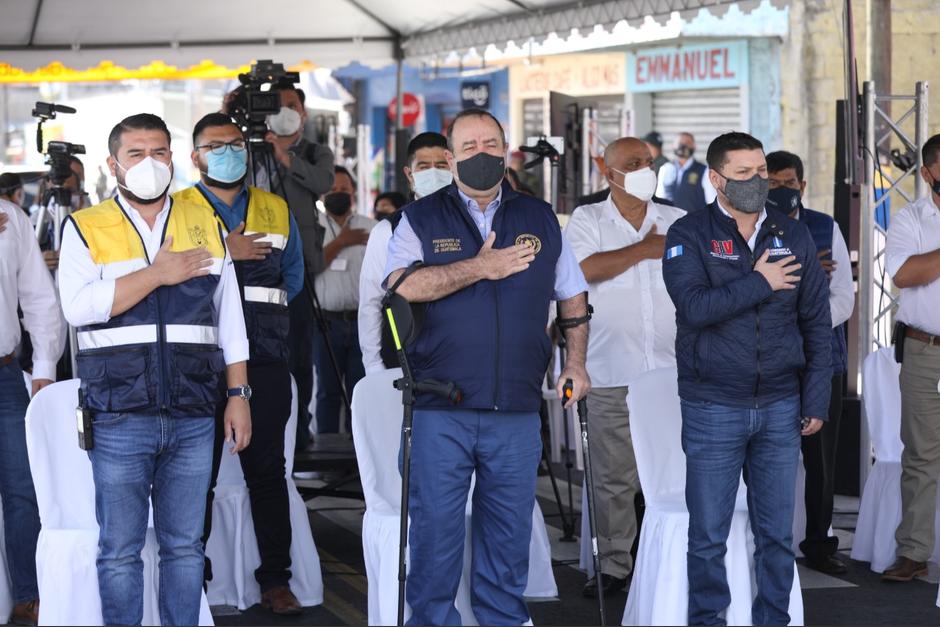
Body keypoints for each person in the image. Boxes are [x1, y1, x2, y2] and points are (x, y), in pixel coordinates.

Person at [384, 108, 590, 626]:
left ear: (506, 150)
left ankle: (502, 620)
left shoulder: (539, 217)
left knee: (507, 532)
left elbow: (573, 297)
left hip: (516, 409)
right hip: (441, 406)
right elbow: (403, 286)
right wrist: (481, 266)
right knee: (436, 533)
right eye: (470, 145)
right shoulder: (420, 218)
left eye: (491, 143)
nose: (482, 153)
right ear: (451, 156)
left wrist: (577, 365)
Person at [57, 113, 252, 626]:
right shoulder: (85, 226)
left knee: (186, 548)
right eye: (136, 154)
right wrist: (156, 274)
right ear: (113, 164)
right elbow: (78, 308)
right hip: (119, 413)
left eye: (159, 152)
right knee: (119, 551)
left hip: (193, 411)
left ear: (174, 157)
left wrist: (239, 395)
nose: (150, 163)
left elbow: (230, 319)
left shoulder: (202, 221)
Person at [662, 131, 831, 625]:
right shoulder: (688, 234)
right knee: (709, 536)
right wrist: (760, 281)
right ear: (716, 179)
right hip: (713, 405)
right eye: (744, 174)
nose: (757, 181)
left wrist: (815, 397)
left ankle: (773, 620)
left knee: (777, 536)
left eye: (761, 171)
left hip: (781, 405)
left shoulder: (791, 233)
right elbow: (694, 308)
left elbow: (816, 321)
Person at [175, 112, 305, 613]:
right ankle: (196, 580)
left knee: (269, 471)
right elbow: (165, 275)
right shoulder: (178, 208)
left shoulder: (274, 206)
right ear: (196, 157)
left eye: (234, 144)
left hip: (267, 357)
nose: (228, 153)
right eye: (215, 146)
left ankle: (276, 579)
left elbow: (292, 279)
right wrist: (222, 251)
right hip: (199, 361)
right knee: (196, 474)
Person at [565, 137, 686, 597]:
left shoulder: (678, 220)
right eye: (634, 163)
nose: (645, 170)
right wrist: (645, 248)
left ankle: (670, 559)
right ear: (606, 169)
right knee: (614, 477)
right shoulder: (588, 219)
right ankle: (614, 566)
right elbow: (582, 271)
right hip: (612, 370)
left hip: (673, 373)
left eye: (650, 163)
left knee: (674, 472)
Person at [767, 150, 855, 575]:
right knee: (765, 453)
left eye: (789, 184)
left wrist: (805, 317)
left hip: (823, 360)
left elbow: (844, 299)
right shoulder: (749, 229)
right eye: (773, 185)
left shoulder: (825, 227)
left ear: (802, 186)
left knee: (821, 458)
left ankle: (819, 543)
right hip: (770, 363)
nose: (781, 192)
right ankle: (764, 539)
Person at [235, 83, 335, 450]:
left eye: (292, 105)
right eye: (277, 106)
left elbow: (324, 182)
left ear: (303, 113)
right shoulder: (247, 150)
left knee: (299, 351)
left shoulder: (314, 151)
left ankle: (299, 430)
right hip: (249, 261)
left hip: (298, 266)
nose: (285, 111)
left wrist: (284, 156)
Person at [0, 197, 65, 626]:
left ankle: (28, 593)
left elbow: (39, 298)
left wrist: (44, 366)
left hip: (5, 375)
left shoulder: (11, 217)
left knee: (25, 487)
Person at [882, 133, 940, 582]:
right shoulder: (910, 219)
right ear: (927, 173)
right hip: (926, 349)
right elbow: (905, 274)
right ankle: (914, 552)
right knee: (921, 454)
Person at [358, 132, 451, 375]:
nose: (433, 172)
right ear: (409, 174)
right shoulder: (387, 230)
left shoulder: (473, 224)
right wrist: (374, 365)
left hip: (459, 359)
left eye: (441, 166)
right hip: (402, 361)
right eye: (424, 166)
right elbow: (371, 302)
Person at [313, 165, 374, 433]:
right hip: (325, 323)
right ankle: (326, 456)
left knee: (361, 393)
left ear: (353, 193)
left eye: (344, 190)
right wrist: (342, 242)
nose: (338, 194)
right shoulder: (312, 228)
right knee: (328, 392)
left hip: (363, 323)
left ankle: (357, 461)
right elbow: (309, 267)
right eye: (333, 190)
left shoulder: (371, 228)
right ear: (323, 194)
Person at [656, 132, 717, 213]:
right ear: (673, 145)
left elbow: (711, 201)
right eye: (680, 143)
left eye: (687, 143)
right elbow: (659, 199)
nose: (683, 146)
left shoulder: (704, 171)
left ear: (694, 146)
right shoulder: (665, 169)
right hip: (670, 222)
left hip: (695, 222)